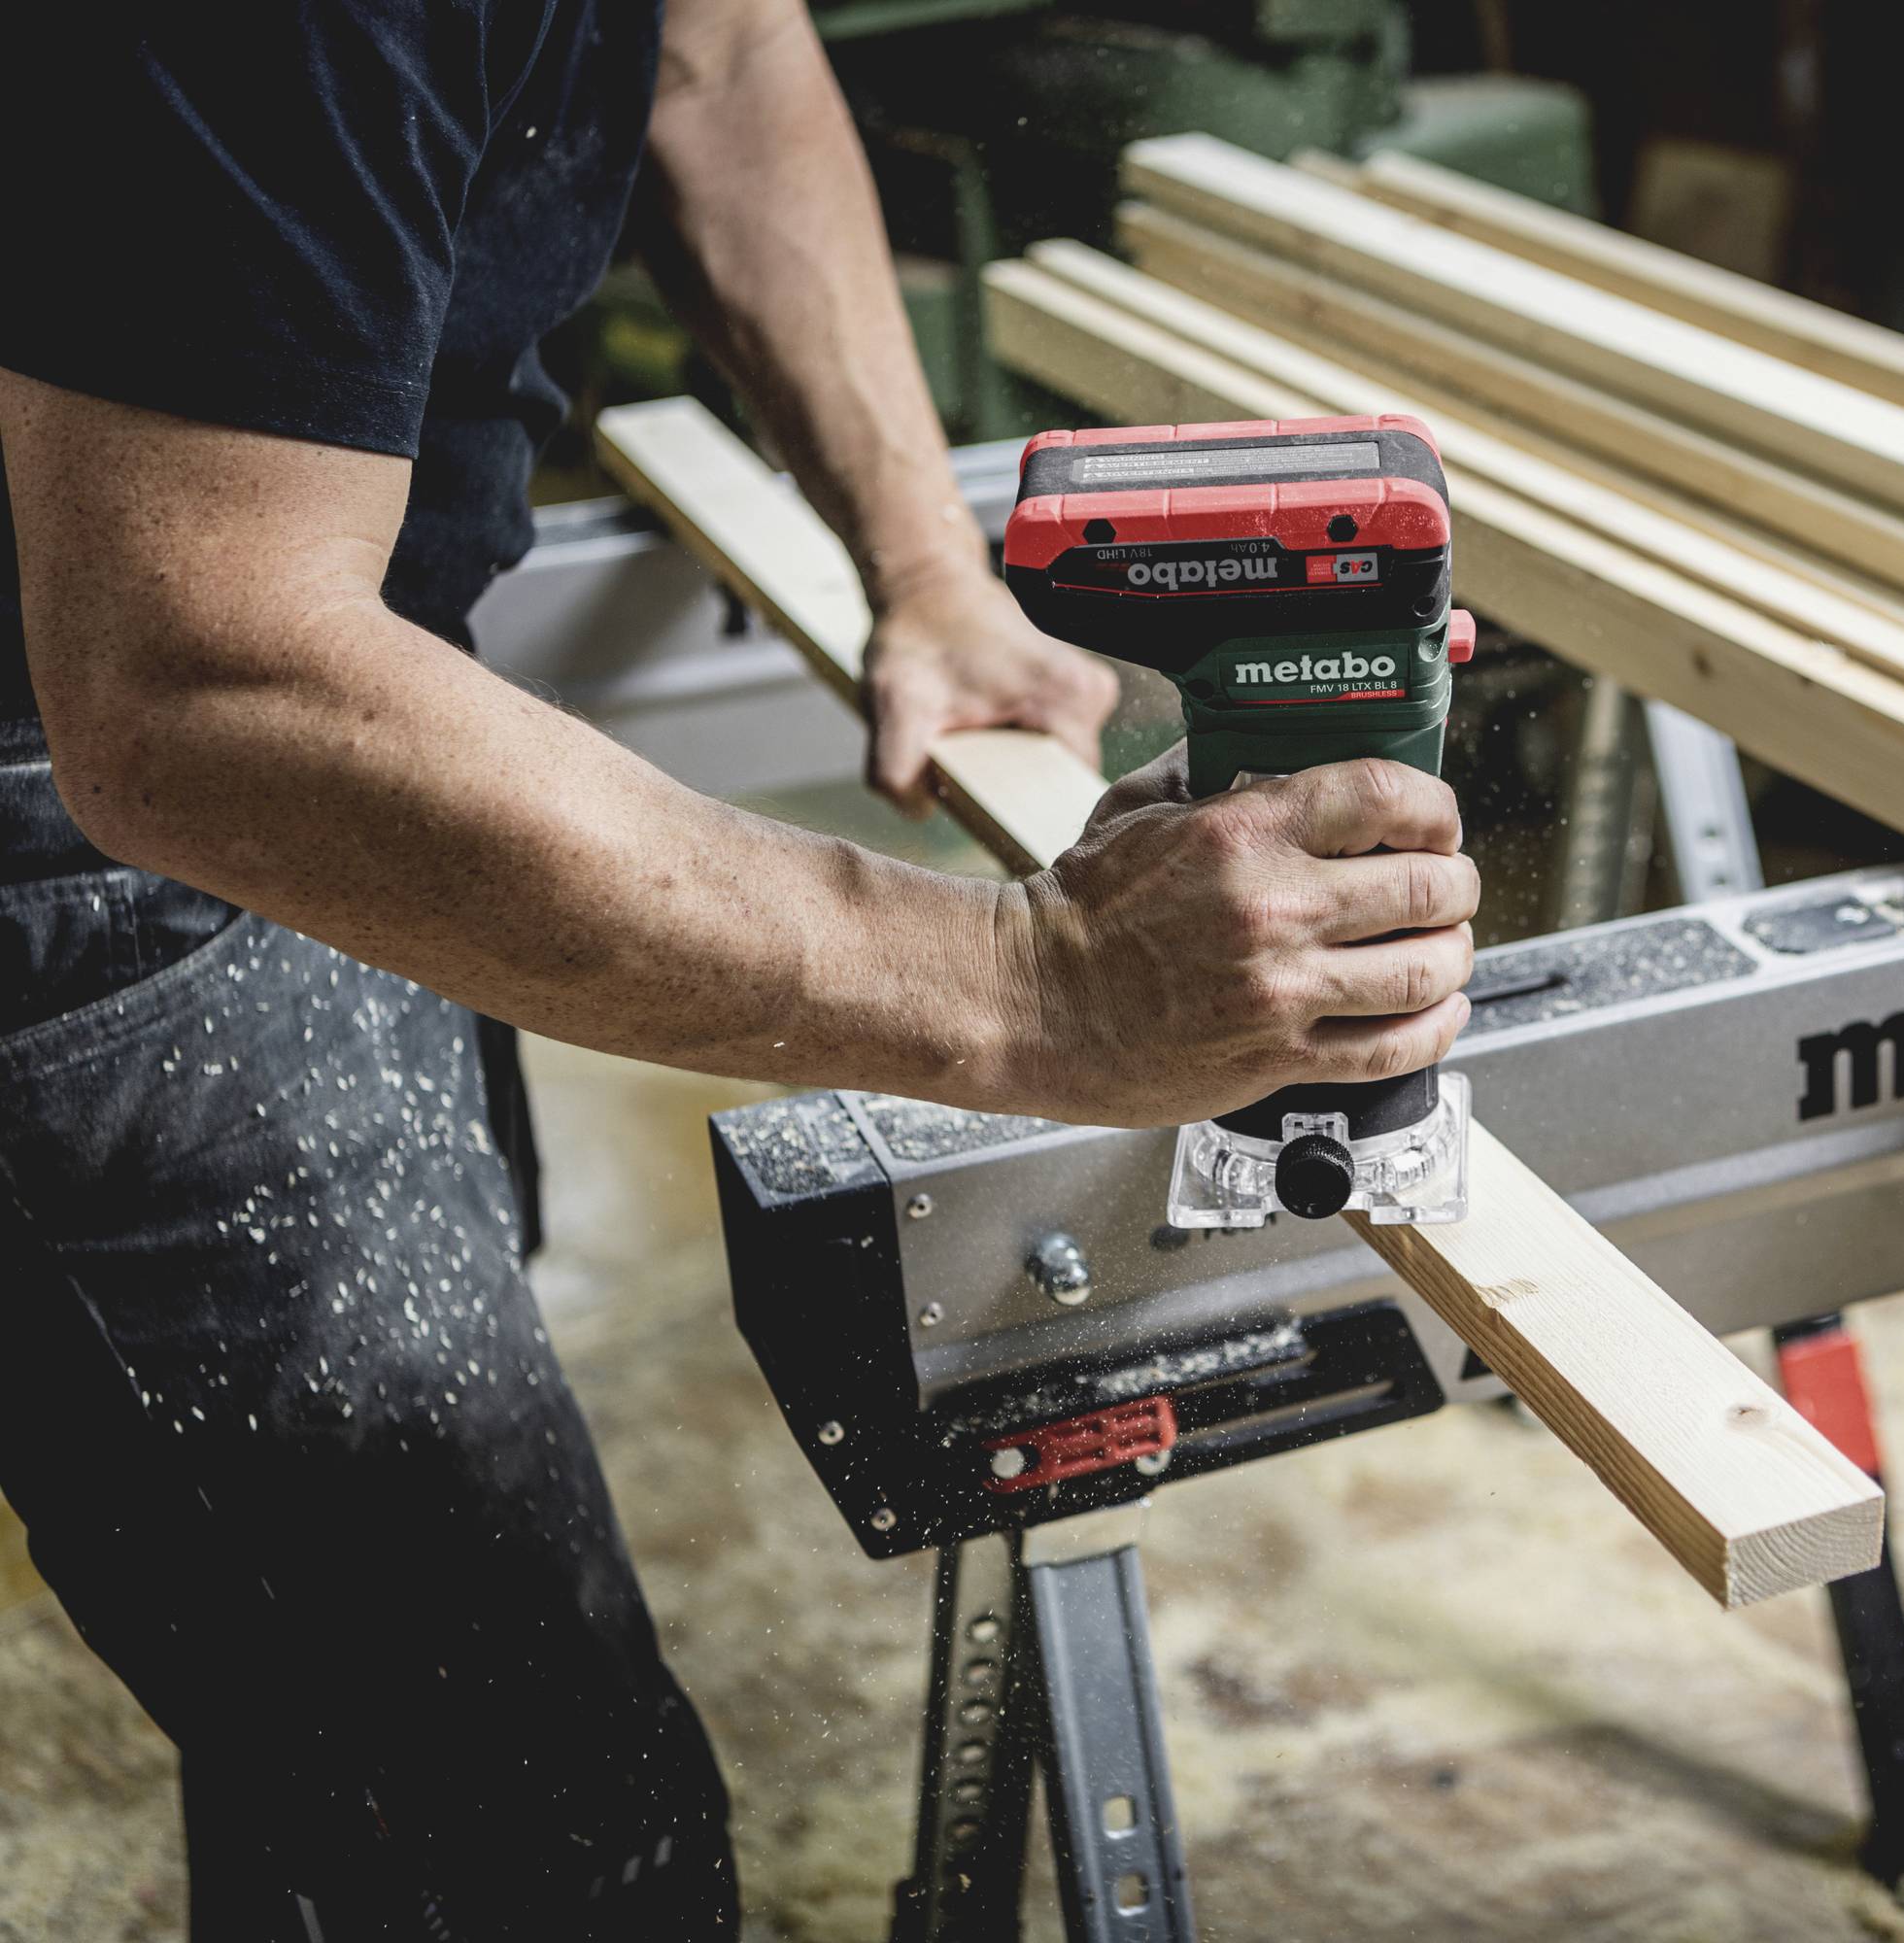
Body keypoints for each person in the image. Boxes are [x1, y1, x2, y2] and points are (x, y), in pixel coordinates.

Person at [0, 0, 1478, 1932]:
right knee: (534, 1846)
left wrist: (929, 571)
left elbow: (723, 58)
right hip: (89, 800)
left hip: (324, 647)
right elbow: (194, 695)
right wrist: (1038, 995)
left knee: (327, 1704)